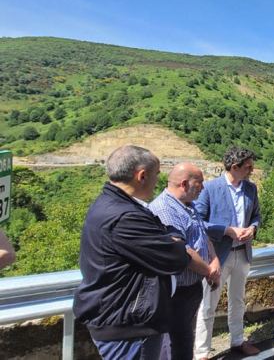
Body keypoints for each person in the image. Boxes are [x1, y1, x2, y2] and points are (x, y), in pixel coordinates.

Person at [73, 145, 209, 360]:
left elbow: (168, 236)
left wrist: (170, 239)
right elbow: (175, 257)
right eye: (156, 175)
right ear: (142, 176)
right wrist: (173, 242)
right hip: (129, 325)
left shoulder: (118, 205)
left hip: (123, 317)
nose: (158, 182)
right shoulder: (126, 217)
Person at [149, 163, 221, 360]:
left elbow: (202, 236)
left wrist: (214, 260)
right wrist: (209, 270)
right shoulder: (164, 208)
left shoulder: (189, 205)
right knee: (172, 347)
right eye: (199, 183)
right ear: (184, 184)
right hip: (175, 293)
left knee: (184, 341)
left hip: (190, 287)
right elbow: (183, 251)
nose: (203, 188)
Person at [194, 147, 261, 359]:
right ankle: (202, 352)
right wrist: (227, 230)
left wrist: (253, 229)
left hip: (242, 253)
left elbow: (256, 216)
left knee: (238, 300)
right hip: (216, 256)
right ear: (235, 167)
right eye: (248, 166)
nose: (252, 169)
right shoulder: (210, 188)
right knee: (208, 305)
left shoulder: (251, 189)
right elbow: (197, 222)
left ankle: (237, 341)